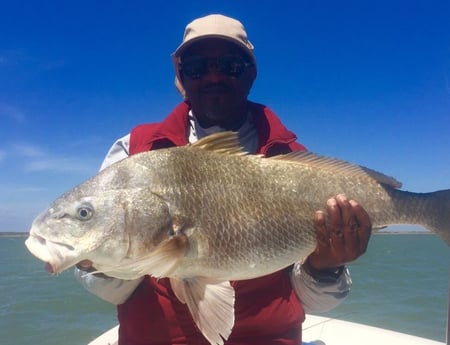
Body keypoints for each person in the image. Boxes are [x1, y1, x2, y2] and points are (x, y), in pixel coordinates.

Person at [76, 14, 372, 345]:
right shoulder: (133, 152)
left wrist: (325, 266)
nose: (213, 76)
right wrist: (101, 262)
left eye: (230, 65)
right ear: (181, 75)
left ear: (251, 73)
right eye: (197, 65)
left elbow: (315, 302)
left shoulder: (293, 164)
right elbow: (113, 292)